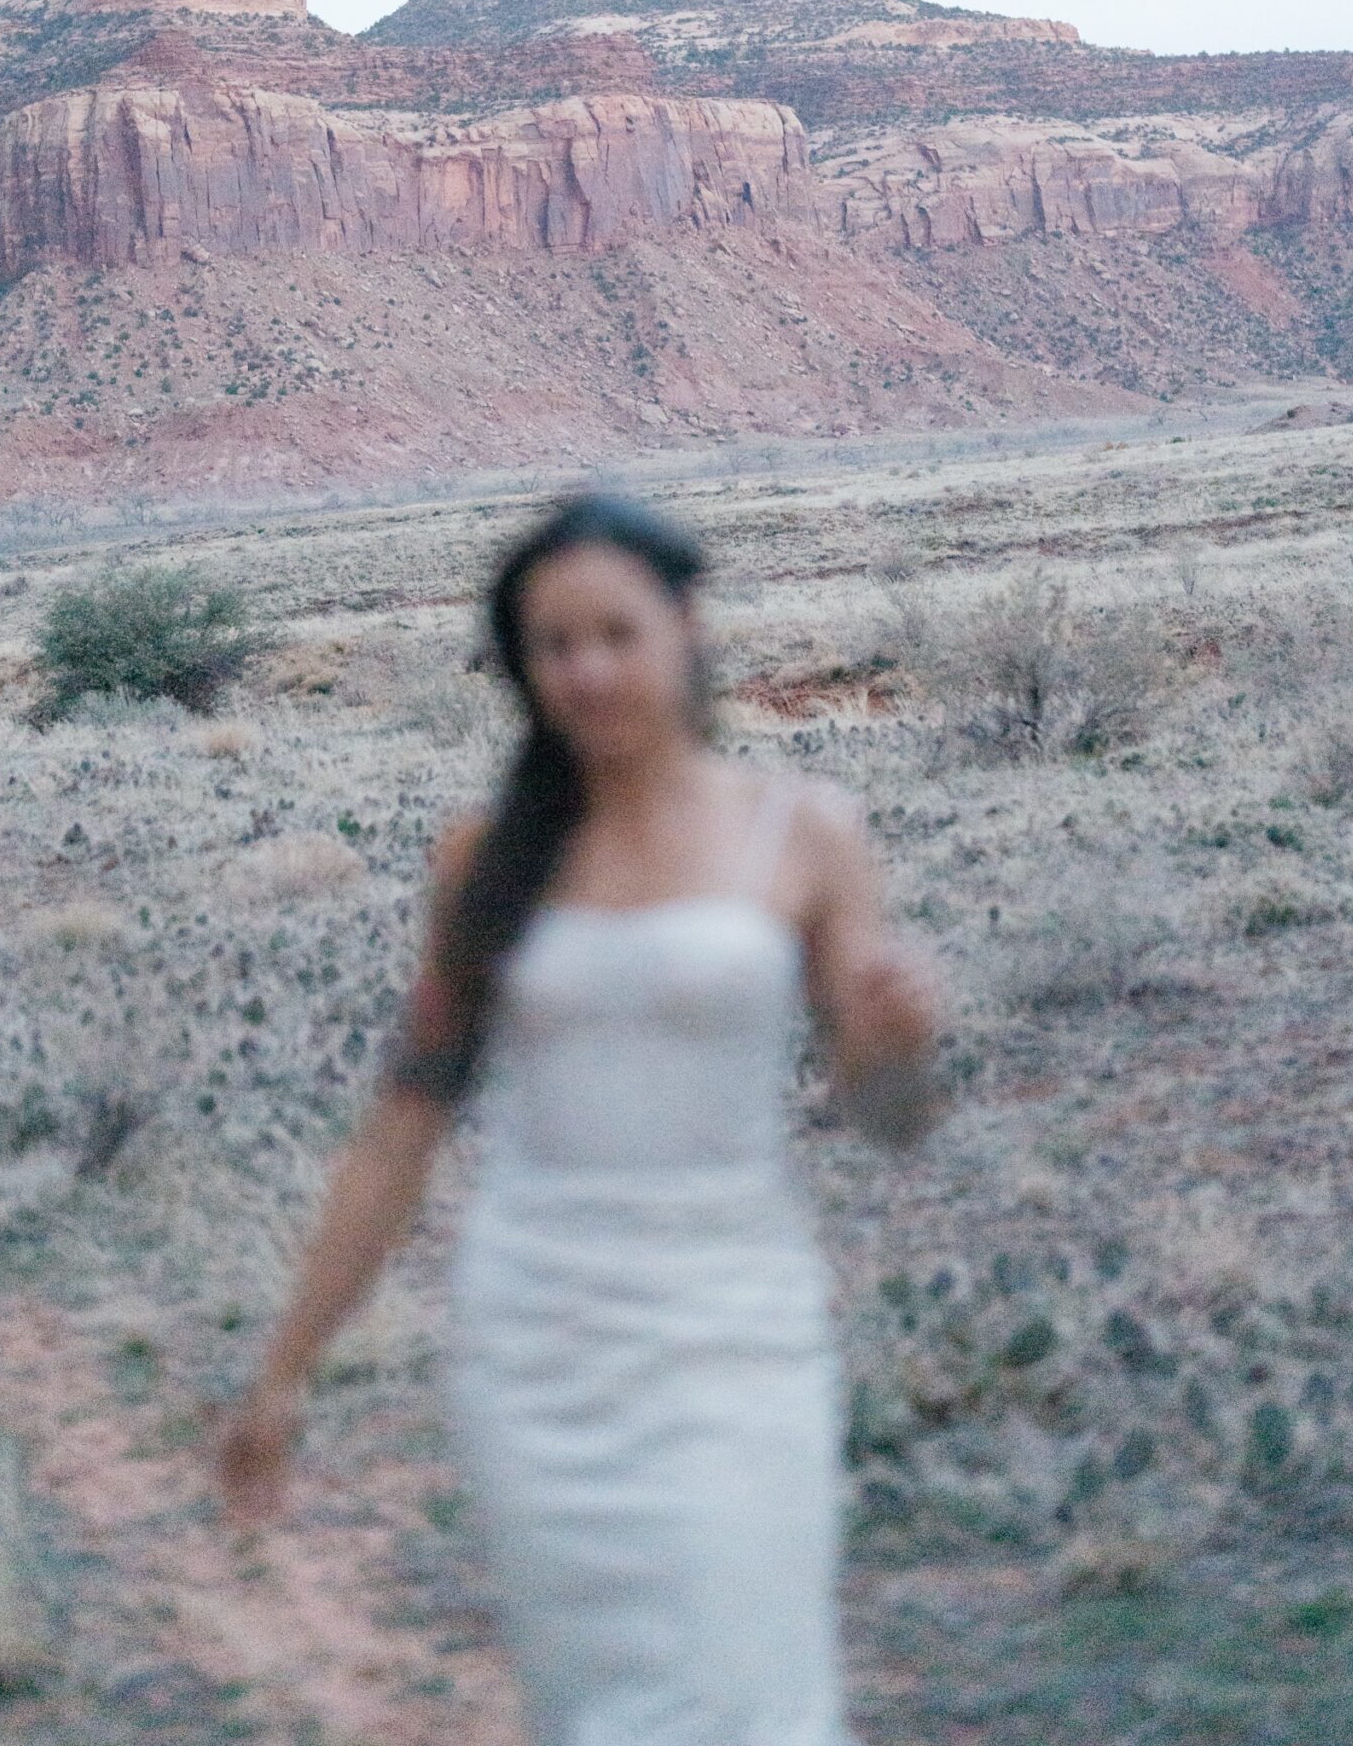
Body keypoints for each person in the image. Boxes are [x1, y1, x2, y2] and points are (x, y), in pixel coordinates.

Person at [219, 490, 943, 1745]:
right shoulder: (482, 859)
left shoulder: (804, 832)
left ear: (685, 623)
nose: (588, 668)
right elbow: (400, 1130)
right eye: (553, 645)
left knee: (747, 1687)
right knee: (599, 1705)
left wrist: (901, 1044)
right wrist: (284, 1370)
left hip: (733, 1327)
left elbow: (887, 1118)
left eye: (615, 631)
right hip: (539, 1342)